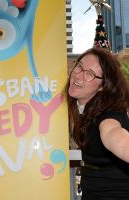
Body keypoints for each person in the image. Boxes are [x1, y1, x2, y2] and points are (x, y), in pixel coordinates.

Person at [64, 47, 129, 200]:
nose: (78, 76)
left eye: (90, 74)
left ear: (102, 86)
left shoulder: (108, 117)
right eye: (79, 66)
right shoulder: (84, 108)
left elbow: (115, 135)